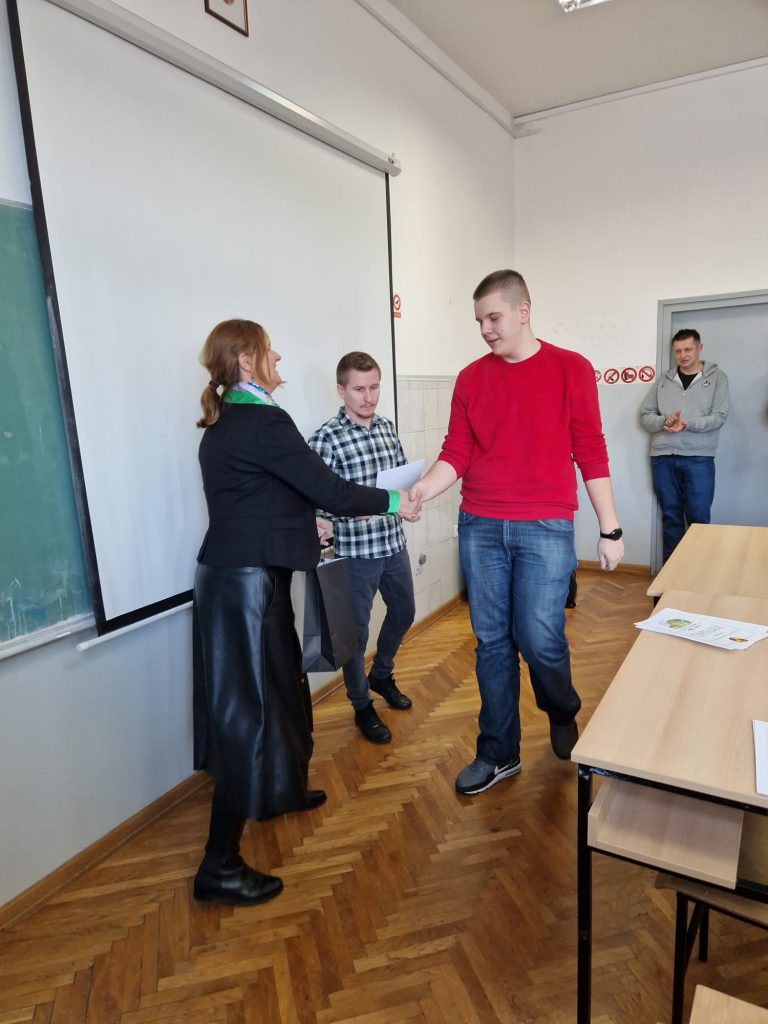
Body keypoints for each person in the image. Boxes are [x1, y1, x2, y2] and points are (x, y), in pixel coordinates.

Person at [192, 319, 420, 906]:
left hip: (247, 582)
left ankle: (282, 789)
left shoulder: (232, 420)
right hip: (244, 590)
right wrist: (395, 499)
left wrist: (305, 525)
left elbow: (271, 497)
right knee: (246, 716)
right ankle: (219, 865)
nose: (279, 358)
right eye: (269, 351)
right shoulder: (262, 422)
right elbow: (331, 491)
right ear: (247, 362)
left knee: (286, 695)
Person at [409, 269, 624, 796]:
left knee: (539, 637)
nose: (485, 329)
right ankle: (498, 752)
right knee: (492, 643)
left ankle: (561, 707)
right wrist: (422, 489)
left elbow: (590, 450)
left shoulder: (571, 368)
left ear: (523, 311)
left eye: (493, 317)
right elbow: (456, 451)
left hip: (546, 526)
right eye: (479, 321)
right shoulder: (470, 378)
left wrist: (610, 527)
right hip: (480, 525)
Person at [308, 352, 416, 745]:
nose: (368, 397)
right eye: (359, 389)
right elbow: (316, 503)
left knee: (405, 612)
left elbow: (402, 478)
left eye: (374, 387)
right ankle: (361, 704)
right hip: (354, 554)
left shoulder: (387, 427)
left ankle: (381, 674)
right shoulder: (325, 439)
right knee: (354, 635)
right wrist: (352, 512)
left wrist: (408, 497)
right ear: (341, 391)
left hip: (393, 543)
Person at [639, 328, 730, 563]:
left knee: (699, 518)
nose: (683, 355)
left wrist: (687, 423)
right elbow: (645, 416)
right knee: (671, 516)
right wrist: (664, 421)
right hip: (662, 458)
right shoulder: (663, 381)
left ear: (699, 348)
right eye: (678, 351)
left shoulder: (717, 378)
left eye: (688, 349)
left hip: (699, 458)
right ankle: (671, 575)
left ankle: (698, 573)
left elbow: (719, 417)